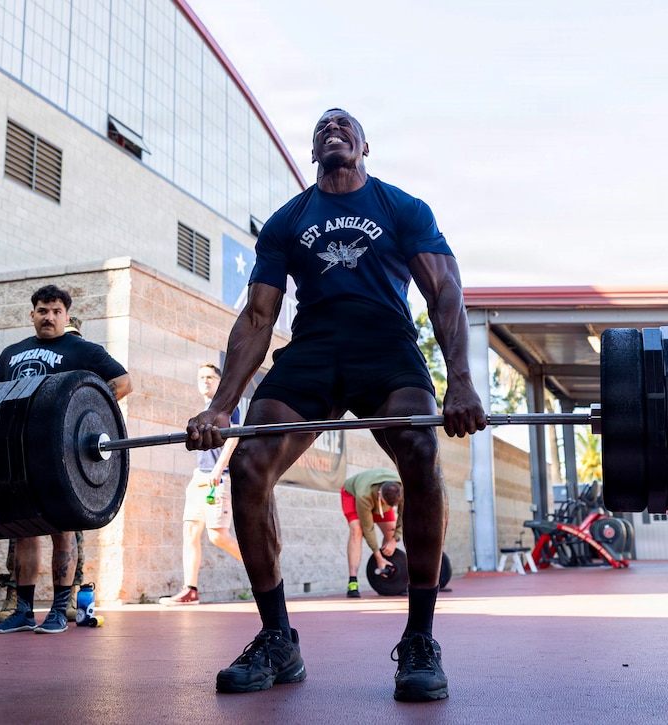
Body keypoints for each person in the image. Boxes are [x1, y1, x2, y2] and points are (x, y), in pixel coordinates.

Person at [186, 108, 487, 701]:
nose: (333, 129)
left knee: (421, 452)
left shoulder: (402, 207)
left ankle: (421, 640)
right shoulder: (287, 221)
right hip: (315, 351)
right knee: (249, 466)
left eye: (344, 124)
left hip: (386, 346)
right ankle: (278, 639)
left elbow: (444, 291)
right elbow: (257, 315)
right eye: (323, 126)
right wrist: (223, 407)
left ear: (365, 144)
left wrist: (461, 382)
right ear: (313, 150)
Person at [0, 285, 131, 635]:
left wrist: (87, 411)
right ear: (32, 314)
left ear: (66, 316)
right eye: (42, 310)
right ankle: (22, 611)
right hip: (18, 455)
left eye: (55, 311)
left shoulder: (81, 349)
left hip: (60, 458)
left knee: (62, 531)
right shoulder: (12, 353)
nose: (48, 316)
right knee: (24, 532)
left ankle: (57, 609)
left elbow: (123, 383)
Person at [0, 313, 88, 625]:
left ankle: (66, 598)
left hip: (66, 456)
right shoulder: (24, 357)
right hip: (26, 451)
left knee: (68, 533)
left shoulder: (81, 359)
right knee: (21, 529)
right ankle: (17, 599)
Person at [159, 363, 244, 606]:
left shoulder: (229, 406)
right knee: (190, 531)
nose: (205, 381)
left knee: (218, 536)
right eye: (201, 378)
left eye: (210, 377)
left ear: (219, 381)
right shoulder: (205, 409)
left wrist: (219, 470)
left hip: (218, 477)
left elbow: (235, 436)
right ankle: (190, 590)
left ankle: (262, 570)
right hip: (200, 476)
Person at [342, 468, 403, 598]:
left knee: (391, 530)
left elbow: (404, 517)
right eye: (389, 505)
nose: (392, 509)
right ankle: (352, 581)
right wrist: (378, 556)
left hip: (383, 497)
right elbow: (368, 529)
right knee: (357, 530)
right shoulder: (364, 495)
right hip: (352, 494)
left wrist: (394, 540)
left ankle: (386, 570)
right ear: (380, 494)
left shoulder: (403, 490)